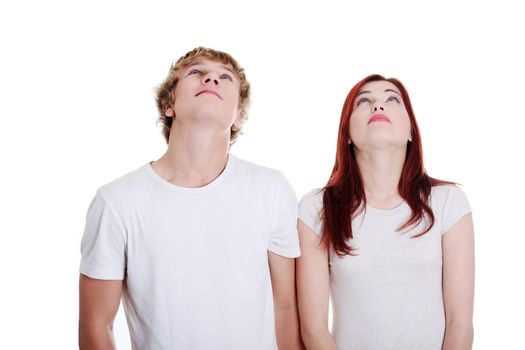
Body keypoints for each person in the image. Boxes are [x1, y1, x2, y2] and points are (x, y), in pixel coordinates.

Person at [79, 47, 303, 350]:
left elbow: (286, 307)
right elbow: (96, 324)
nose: (212, 78)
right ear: (168, 104)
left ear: (237, 116)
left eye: (226, 78)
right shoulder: (117, 202)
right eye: (196, 72)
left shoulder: (272, 190)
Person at [296, 74, 474, 350]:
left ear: (411, 131)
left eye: (392, 99)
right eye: (363, 101)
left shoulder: (449, 202)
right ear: (346, 136)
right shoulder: (315, 208)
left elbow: (460, 325)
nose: (378, 106)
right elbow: (313, 329)